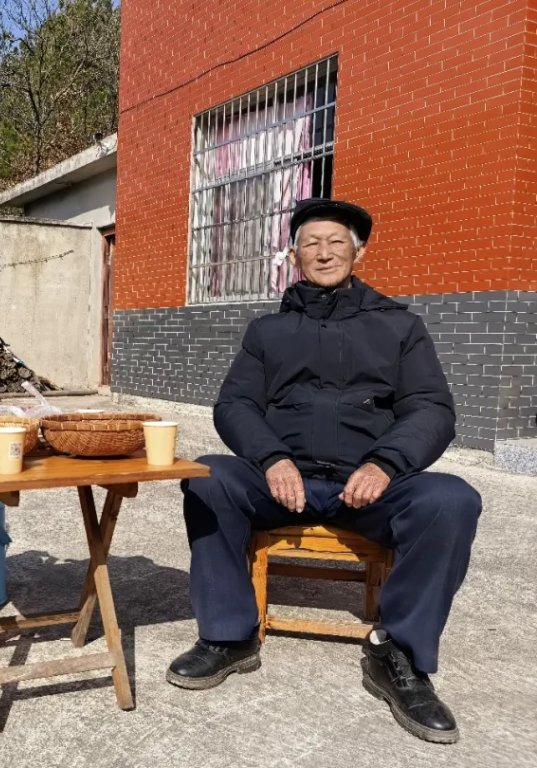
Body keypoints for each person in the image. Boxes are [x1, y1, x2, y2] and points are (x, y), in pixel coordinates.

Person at [167, 199, 480, 744]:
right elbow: (235, 404)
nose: (324, 252)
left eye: (336, 242)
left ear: (359, 252)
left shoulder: (400, 327)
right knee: (207, 476)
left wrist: (385, 463)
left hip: (370, 489)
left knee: (451, 499)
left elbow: (431, 408)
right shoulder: (267, 331)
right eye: (311, 243)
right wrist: (271, 457)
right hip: (282, 484)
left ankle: (399, 655)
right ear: (294, 256)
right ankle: (228, 635)